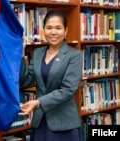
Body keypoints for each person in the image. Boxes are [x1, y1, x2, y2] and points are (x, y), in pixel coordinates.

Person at [19, 10, 83, 141]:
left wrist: (38, 102)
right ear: (44, 30)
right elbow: (24, 80)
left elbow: (68, 90)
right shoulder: (37, 53)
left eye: (58, 28)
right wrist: (20, 53)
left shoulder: (74, 55)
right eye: (49, 28)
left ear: (65, 31)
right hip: (40, 122)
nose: (53, 32)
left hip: (64, 125)